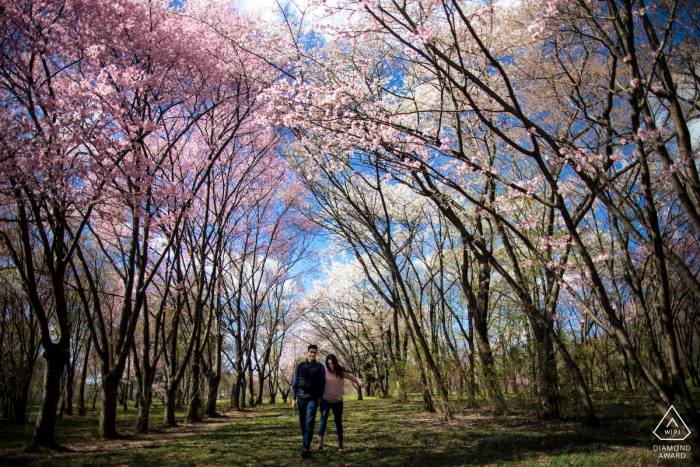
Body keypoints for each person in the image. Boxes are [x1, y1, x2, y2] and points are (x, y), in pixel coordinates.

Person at [317, 354, 363, 452]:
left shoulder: (341, 372)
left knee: (338, 421)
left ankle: (340, 443)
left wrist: (359, 381)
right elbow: (316, 381)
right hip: (326, 399)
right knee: (323, 418)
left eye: (332, 363)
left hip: (338, 401)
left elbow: (352, 378)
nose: (331, 365)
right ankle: (320, 443)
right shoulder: (323, 371)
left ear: (335, 363)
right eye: (328, 363)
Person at [291, 344, 325, 458]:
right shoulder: (300, 366)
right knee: (302, 423)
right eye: (311, 352)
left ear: (317, 354)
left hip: (313, 398)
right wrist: (293, 398)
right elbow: (295, 382)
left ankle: (305, 448)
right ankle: (307, 441)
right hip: (300, 398)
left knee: (309, 422)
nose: (313, 354)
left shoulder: (320, 367)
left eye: (315, 352)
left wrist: (320, 397)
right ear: (307, 353)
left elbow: (322, 383)